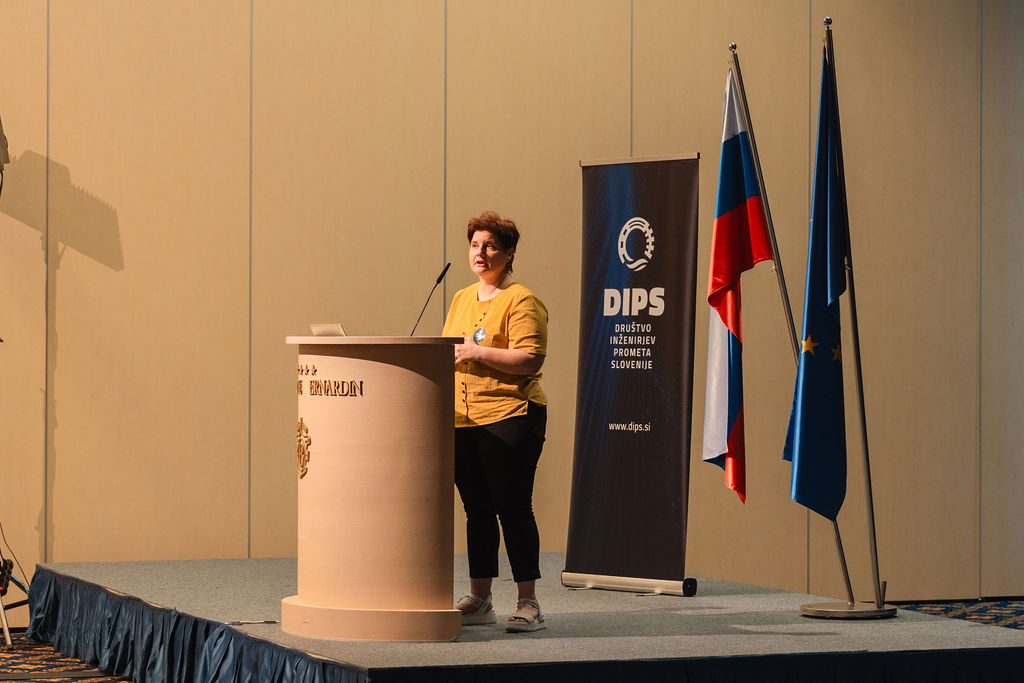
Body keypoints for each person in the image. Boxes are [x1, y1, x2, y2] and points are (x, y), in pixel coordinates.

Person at [442, 211, 549, 633]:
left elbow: (530, 359)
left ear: (509, 252)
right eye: (475, 245)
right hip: (463, 418)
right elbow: (448, 351)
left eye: (490, 246)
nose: (480, 253)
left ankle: (529, 602)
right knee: (477, 510)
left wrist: (477, 352)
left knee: (513, 508)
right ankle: (480, 597)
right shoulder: (460, 298)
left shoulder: (521, 300)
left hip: (511, 415)